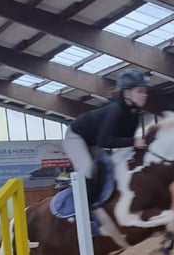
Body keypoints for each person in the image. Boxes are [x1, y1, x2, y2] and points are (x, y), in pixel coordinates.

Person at [62, 69, 151, 204]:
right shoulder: (115, 109)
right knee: (88, 170)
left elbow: (125, 144)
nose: (144, 95)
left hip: (93, 141)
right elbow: (104, 141)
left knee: (108, 167)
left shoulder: (134, 115)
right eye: (140, 91)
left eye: (145, 92)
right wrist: (134, 141)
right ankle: (81, 209)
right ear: (126, 93)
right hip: (76, 136)